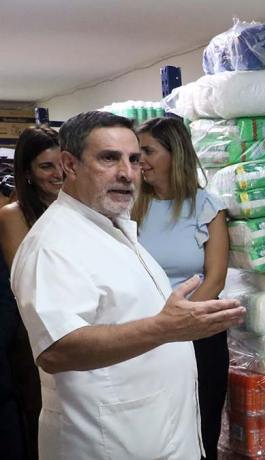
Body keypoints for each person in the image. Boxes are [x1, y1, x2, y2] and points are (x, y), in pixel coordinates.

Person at [11, 111, 245, 459]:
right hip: (109, 442)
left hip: (154, 434)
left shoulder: (113, 226)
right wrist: (165, 328)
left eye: (134, 159)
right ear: (69, 165)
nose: (127, 172)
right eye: (109, 158)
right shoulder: (53, 244)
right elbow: (57, 349)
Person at [133, 117, 229, 460]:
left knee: (201, 429)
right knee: (152, 432)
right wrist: (159, 327)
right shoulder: (130, 207)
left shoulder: (207, 207)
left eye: (148, 151)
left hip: (199, 333)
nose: (140, 160)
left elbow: (215, 279)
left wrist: (178, 323)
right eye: (137, 153)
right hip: (143, 333)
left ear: (175, 154)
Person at [0, 126, 63, 460]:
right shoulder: (13, 215)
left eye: (62, 164)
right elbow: (26, 282)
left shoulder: (83, 210)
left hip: (82, 326)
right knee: (43, 417)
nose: (58, 174)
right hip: (37, 335)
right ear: (27, 172)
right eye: (46, 167)